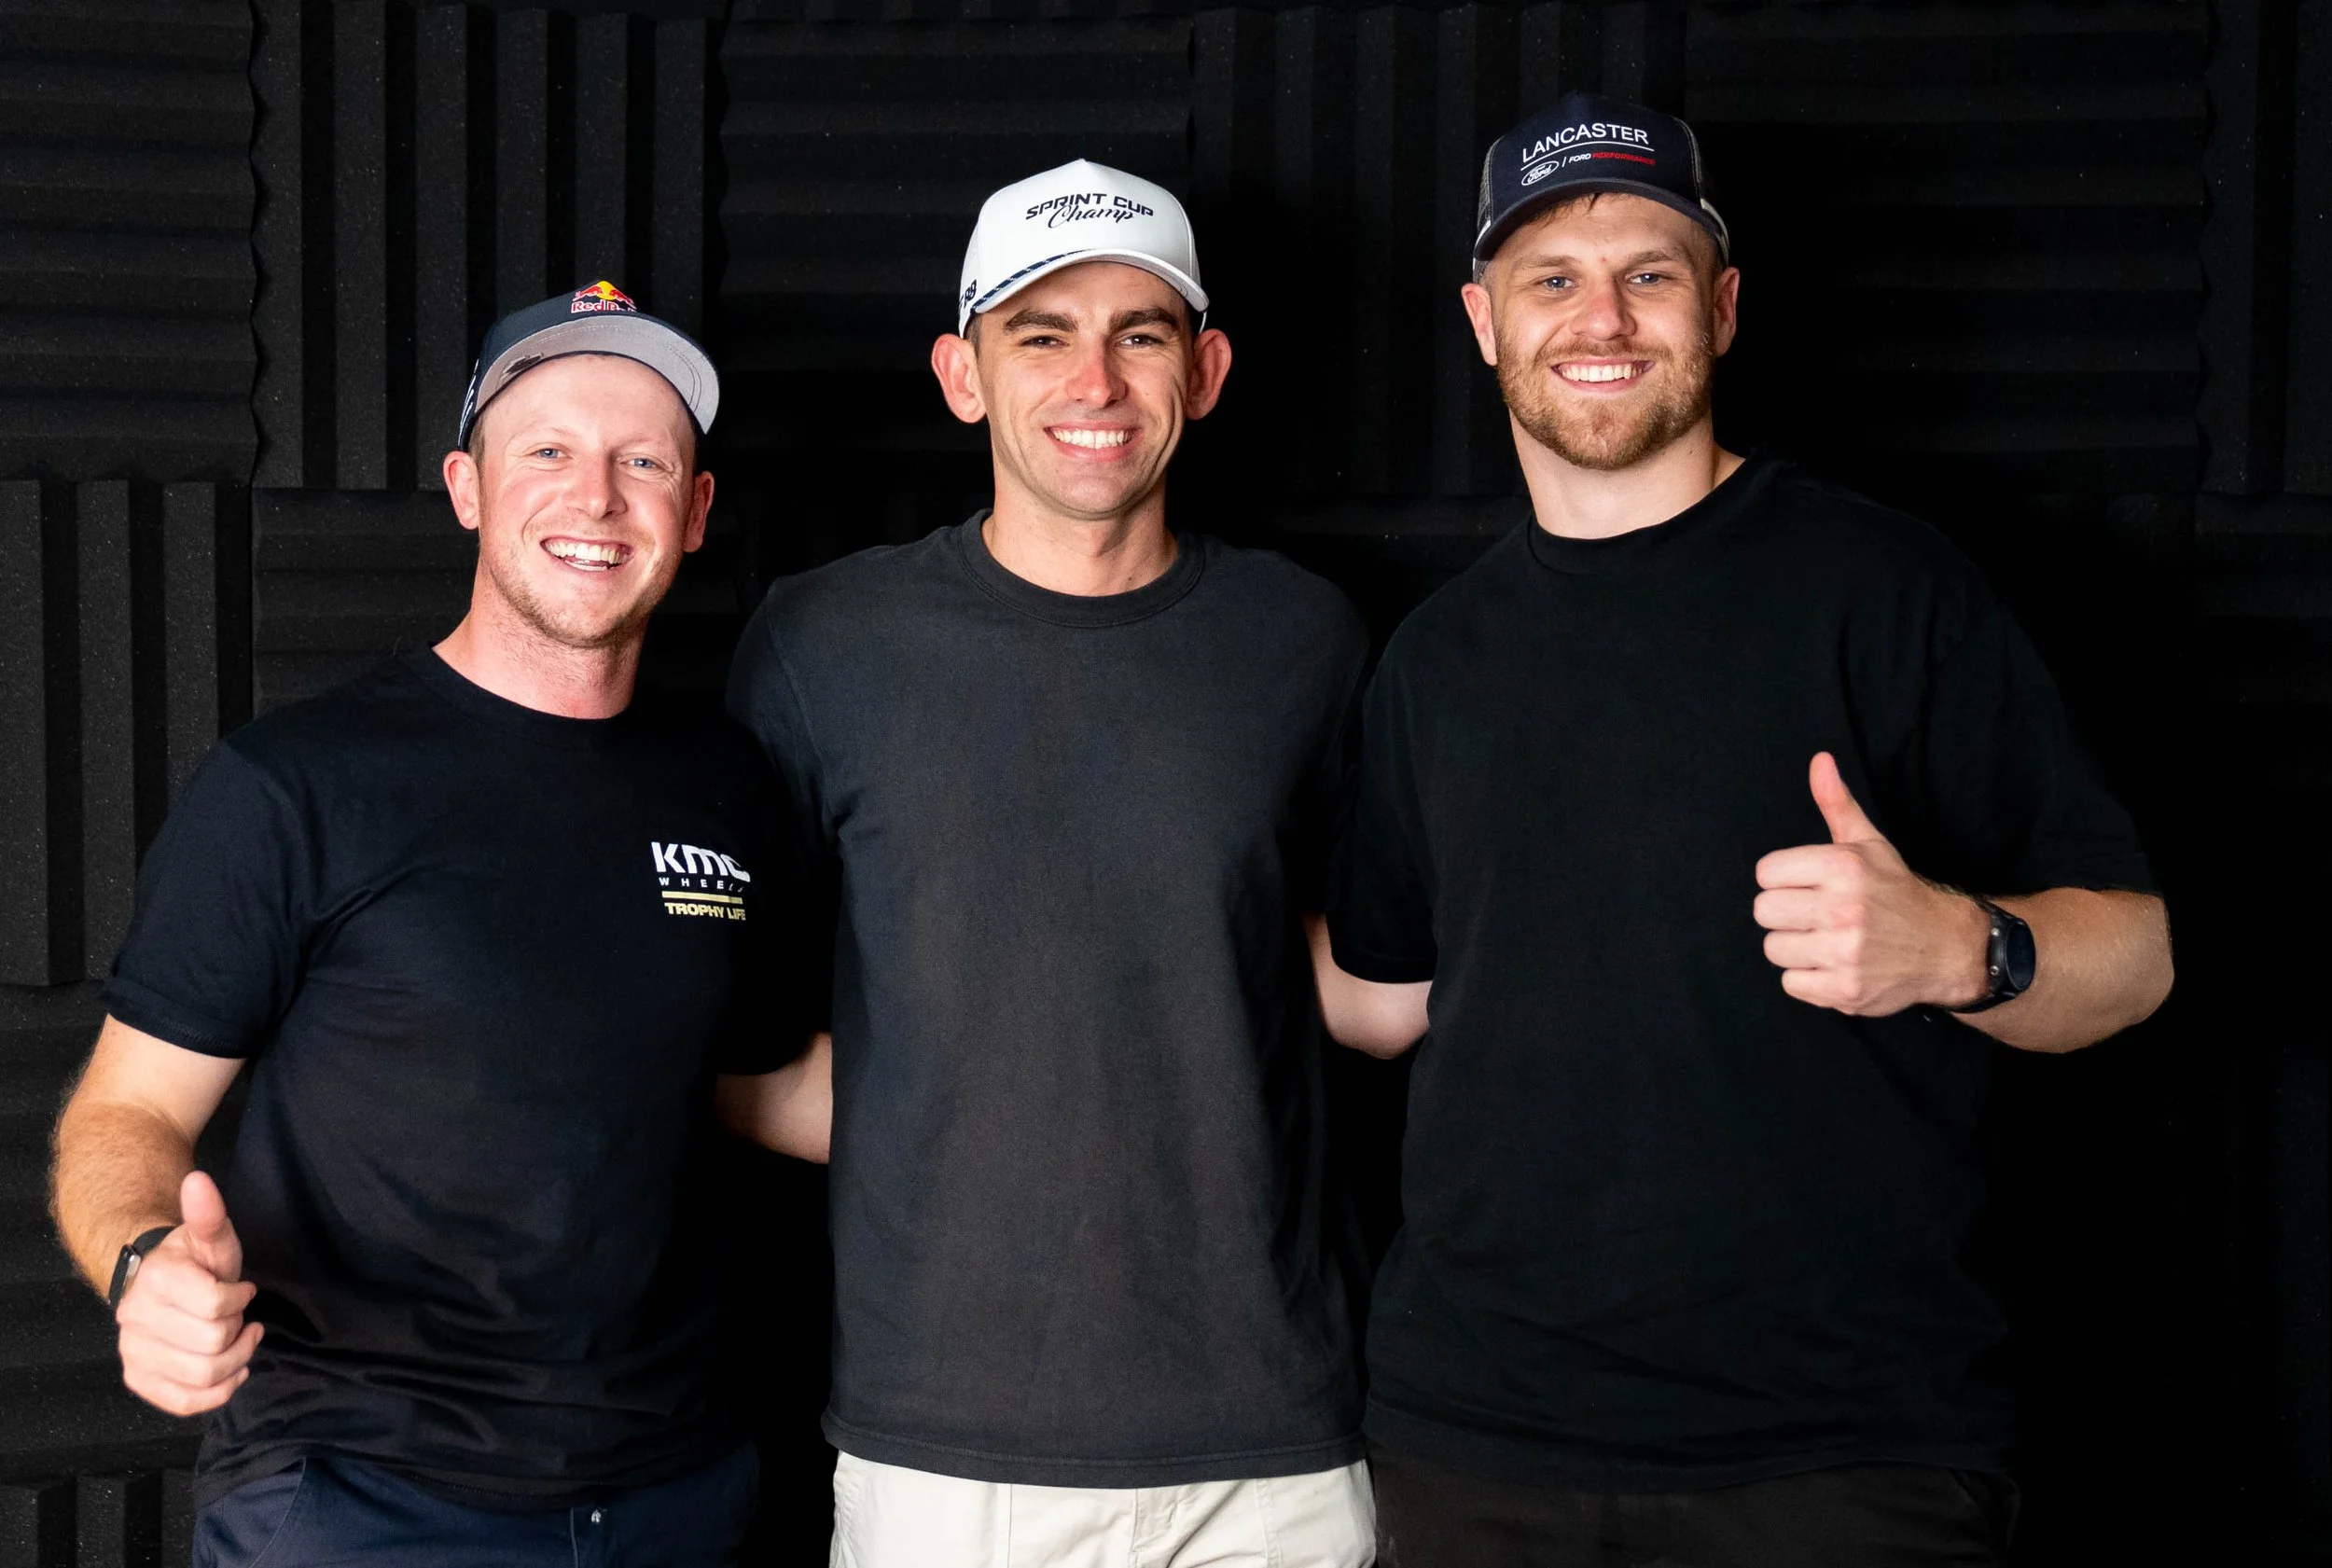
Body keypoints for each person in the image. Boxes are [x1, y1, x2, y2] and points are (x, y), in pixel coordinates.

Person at [1312, 94, 2175, 1568]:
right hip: (1480, 1448)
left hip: (1842, 1458)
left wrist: (1965, 947)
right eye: (1553, 280)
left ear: (1720, 305)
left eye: (1650, 273)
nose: (1604, 318)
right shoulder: (1436, 661)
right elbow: (1383, 1000)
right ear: (1482, 322)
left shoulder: (1886, 590)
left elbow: (2140, 959)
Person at [50, 283, 828, 1566]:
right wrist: (143, 1269)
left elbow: (747, 1080)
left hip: (676, 1493)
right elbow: (125, 1114)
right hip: (365, 1496)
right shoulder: (297, 785)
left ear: (691, 515)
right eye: (550, 453)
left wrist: (1071, 1108)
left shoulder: (728, 786)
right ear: (468, 487)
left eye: (644, 460)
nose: (597, 498)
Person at [727, 160, 1375, 1567]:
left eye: (1139, 334)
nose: (1096, 380)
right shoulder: (819, 647)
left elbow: (1342, 974)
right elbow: (727, 1029)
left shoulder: (1306, 642)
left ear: (1203, 372)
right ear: (963, 375)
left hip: (1271, 1459)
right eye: (1041, 335)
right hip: (944, 1459)